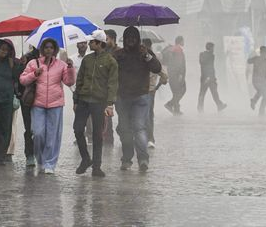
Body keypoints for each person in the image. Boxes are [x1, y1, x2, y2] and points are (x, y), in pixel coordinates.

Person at [19, 38, 76, 174]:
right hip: (38, 104)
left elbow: (69, 82)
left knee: (52, 135)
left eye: (51, 47)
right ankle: (40, 159)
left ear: (54, 49)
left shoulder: (61, 65)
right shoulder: (34, 63)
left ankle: (50, 163)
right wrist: (34, 74)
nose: (48, 50)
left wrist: (70, 69)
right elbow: (22, 79)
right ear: (42, 49)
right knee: (38, 133)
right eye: (46, 47)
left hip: (55, 104)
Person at [114, 26, 162, 172]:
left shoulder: (145, 53)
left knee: (139, 128)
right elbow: (110, 72)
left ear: (138, 39)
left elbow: (156, 68)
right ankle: (127, 159)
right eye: (128, 38)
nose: (131, 41)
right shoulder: (118, 55)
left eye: (133, 38)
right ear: (124, 39)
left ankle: (143, 159)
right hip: (122, 97)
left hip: (141, 97)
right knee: (124, 129)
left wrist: (146, 55)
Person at [73, 30, 118, 178]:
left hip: (99, 102)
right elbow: (79, 80)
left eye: (92, 41)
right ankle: (86, 159)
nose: (89, 43)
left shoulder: (110, 61)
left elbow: (112, 84)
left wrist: (110, 103)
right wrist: (76, 99)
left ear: (99, 43)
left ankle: (96, 166)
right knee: (78, 129)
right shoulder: (87, 60)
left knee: (97, 134)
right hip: (84, 100)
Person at [143, 38, 168, 149]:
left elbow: (164, 76)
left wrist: (155, 87)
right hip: (140, 91)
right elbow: (164, 77)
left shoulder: (154, 60)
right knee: (142, 115)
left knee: (148, 115)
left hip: (148, 92)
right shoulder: (140, 58)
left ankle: (150, 138)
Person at [17, 46, 39, 168]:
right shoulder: (27, 58)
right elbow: (19, 77)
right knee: (29, 128)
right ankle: (30, 154)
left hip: (45, 99)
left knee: (41, 129)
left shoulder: (51, 58)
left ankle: (40, 153)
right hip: (28, 98)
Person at [197, 42, 227, 112]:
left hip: (204, 77)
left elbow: (203, 65)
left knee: (203, 93)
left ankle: (200, 107)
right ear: (210, 48)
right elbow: (209, 67)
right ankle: (219, 105)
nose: (213, 49)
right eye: (213, 48)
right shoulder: (211, 56)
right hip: (209, 77)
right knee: (214, 92)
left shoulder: (201, 54)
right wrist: (210, 77)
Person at [163, 36, 187, 115]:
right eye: (183, 40)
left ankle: (176, 110)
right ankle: (169, 104)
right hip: (177, 75)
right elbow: (179, 63)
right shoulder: (178, 49)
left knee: (176, 92)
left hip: (171, 74)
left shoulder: (172, 49)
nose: (184, 42)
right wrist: (180, 74)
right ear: (180, 41)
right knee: (182, 90)